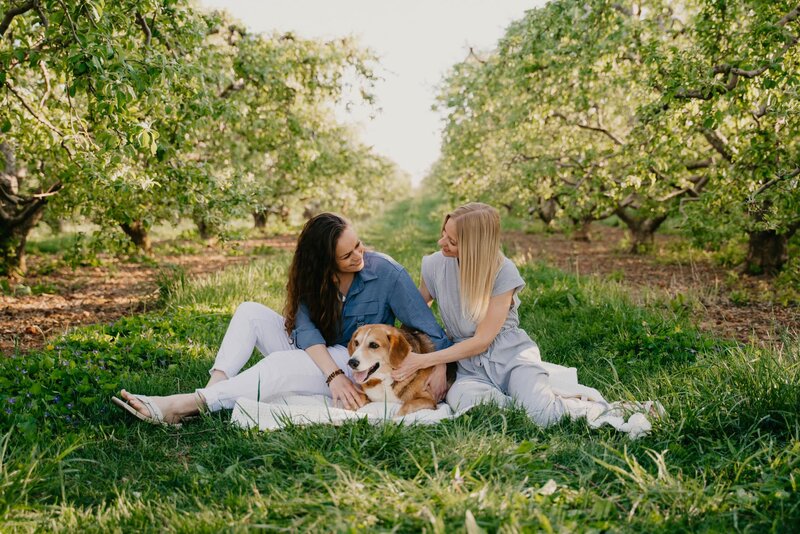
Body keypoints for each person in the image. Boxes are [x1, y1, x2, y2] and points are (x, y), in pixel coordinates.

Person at [113, 213, 451, 425]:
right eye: (347, 256)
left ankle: (189, 405)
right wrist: (332, 377)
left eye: (359, 246)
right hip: (321, 354)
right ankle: (213, 391)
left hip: (351, 357)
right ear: (324, 264)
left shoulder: (386, 273)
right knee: (249, 311)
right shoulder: (312, 279)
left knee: (277, 366)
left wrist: (437, 368)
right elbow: (304, 332)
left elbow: (428, 327)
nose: (359, 257)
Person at [392, 202, 657, 430]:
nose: (441, 243)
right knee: (465, 402)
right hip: (468, 367)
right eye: (443, 233)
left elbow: (482, 341)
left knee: (543, 416)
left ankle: (601, 407)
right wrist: (436, 364)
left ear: (476, 247)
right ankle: (530, 402)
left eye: (452, 241)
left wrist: (424, 360)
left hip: (510, 356)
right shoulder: (434, 265)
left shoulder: (502, 271)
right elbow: (417, 317)